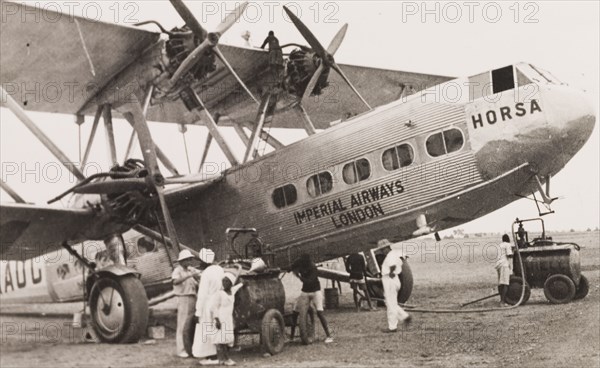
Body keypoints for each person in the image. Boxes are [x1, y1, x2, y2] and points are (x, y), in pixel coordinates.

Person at [289, 253, 333, 343]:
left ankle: (329, 335)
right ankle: (292, 336)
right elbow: (290, 267)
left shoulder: (313, 267)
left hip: (315, 291)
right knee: (295, 311)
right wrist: (288, 269)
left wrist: (298, 276)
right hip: (305, 291)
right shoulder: (300, 262)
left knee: (320, 312)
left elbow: (310, 281)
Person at [192, 248, 223, 365]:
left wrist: (198, 311)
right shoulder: (220, 269)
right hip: (219, 301)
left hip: (209, 303)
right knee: (217, 327)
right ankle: (220, 353)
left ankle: (213, 357)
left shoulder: (206, 273)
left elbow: (202, 294)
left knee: (207, 329)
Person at [210, 272, 244, 366]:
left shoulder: (232, 291)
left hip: (228, 318)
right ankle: (224, 359)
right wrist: (216, 320)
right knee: (220, 340)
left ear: (231, 283)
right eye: (223, 281)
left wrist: (243, 283)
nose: (224, 283)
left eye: (226, 281)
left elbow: (237, 287)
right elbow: (214, 307)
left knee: (225, 339)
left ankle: (223, 359)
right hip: (221, 318)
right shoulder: (219, 293)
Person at [172, 250, 200, 358]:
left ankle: (189, 347)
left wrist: (194, 275)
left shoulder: (190, 270)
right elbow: (175, 281)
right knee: (183, 323)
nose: (190, 261)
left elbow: (198, 275)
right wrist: (189, 275)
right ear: (182, 261)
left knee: (190, 323)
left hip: (192, 297)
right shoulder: (177, 270)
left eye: (190, 259)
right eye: (187, 259)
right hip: (183, 297)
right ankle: (181, 349)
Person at [381, 243, 411, 332]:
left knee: (390, 304)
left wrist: (391, 272)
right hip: (395, 279)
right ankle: (405, 316)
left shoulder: (390, 256)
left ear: (386, 248)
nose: (382, 252)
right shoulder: (396, 253)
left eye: (382, 249)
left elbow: (392, 265)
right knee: (390, 302)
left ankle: (392, 327)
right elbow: (404, 258)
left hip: (389, 279)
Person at [496, 234, 514, 306]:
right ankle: (502, 302)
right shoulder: (507, 245)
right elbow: (509, 255)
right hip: (504, 265)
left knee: (500, 283)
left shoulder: (500, 245)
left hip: (499, 265)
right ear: (508, 239)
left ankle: (502, 300)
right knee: (505, 283)